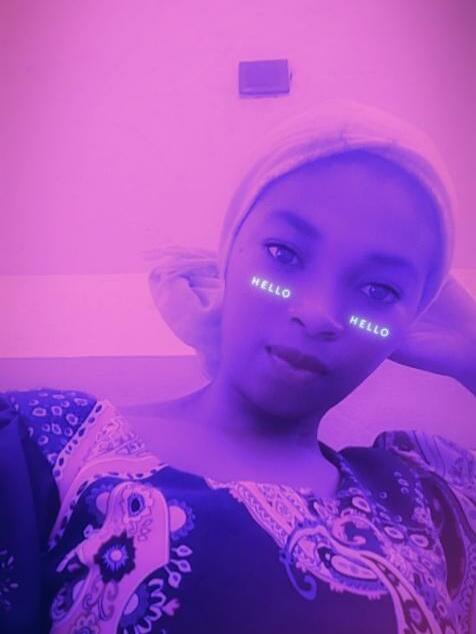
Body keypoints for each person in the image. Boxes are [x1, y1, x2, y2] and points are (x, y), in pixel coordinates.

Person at [1, 101, 475, 633]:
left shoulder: (424, 499)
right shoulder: (48, 449)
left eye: (379, 291)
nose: (317, 313)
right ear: (229, 254)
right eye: (284, 254)